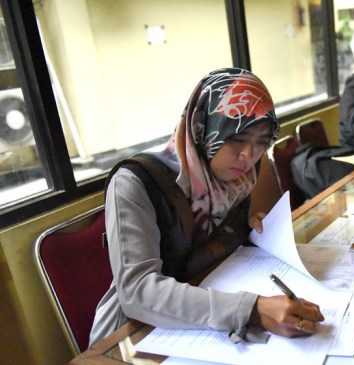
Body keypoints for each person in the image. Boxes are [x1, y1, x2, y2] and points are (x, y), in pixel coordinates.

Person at [89, 68, 325, 346]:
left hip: (207, 318)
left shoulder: (237, 178)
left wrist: (246, 229)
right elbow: (138, 292)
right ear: (204, 127)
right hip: (132, 336)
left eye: (262, 142)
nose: (249, 155)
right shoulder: (134, 183)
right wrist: (251, 309)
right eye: (237, 138)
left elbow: (208, 245)